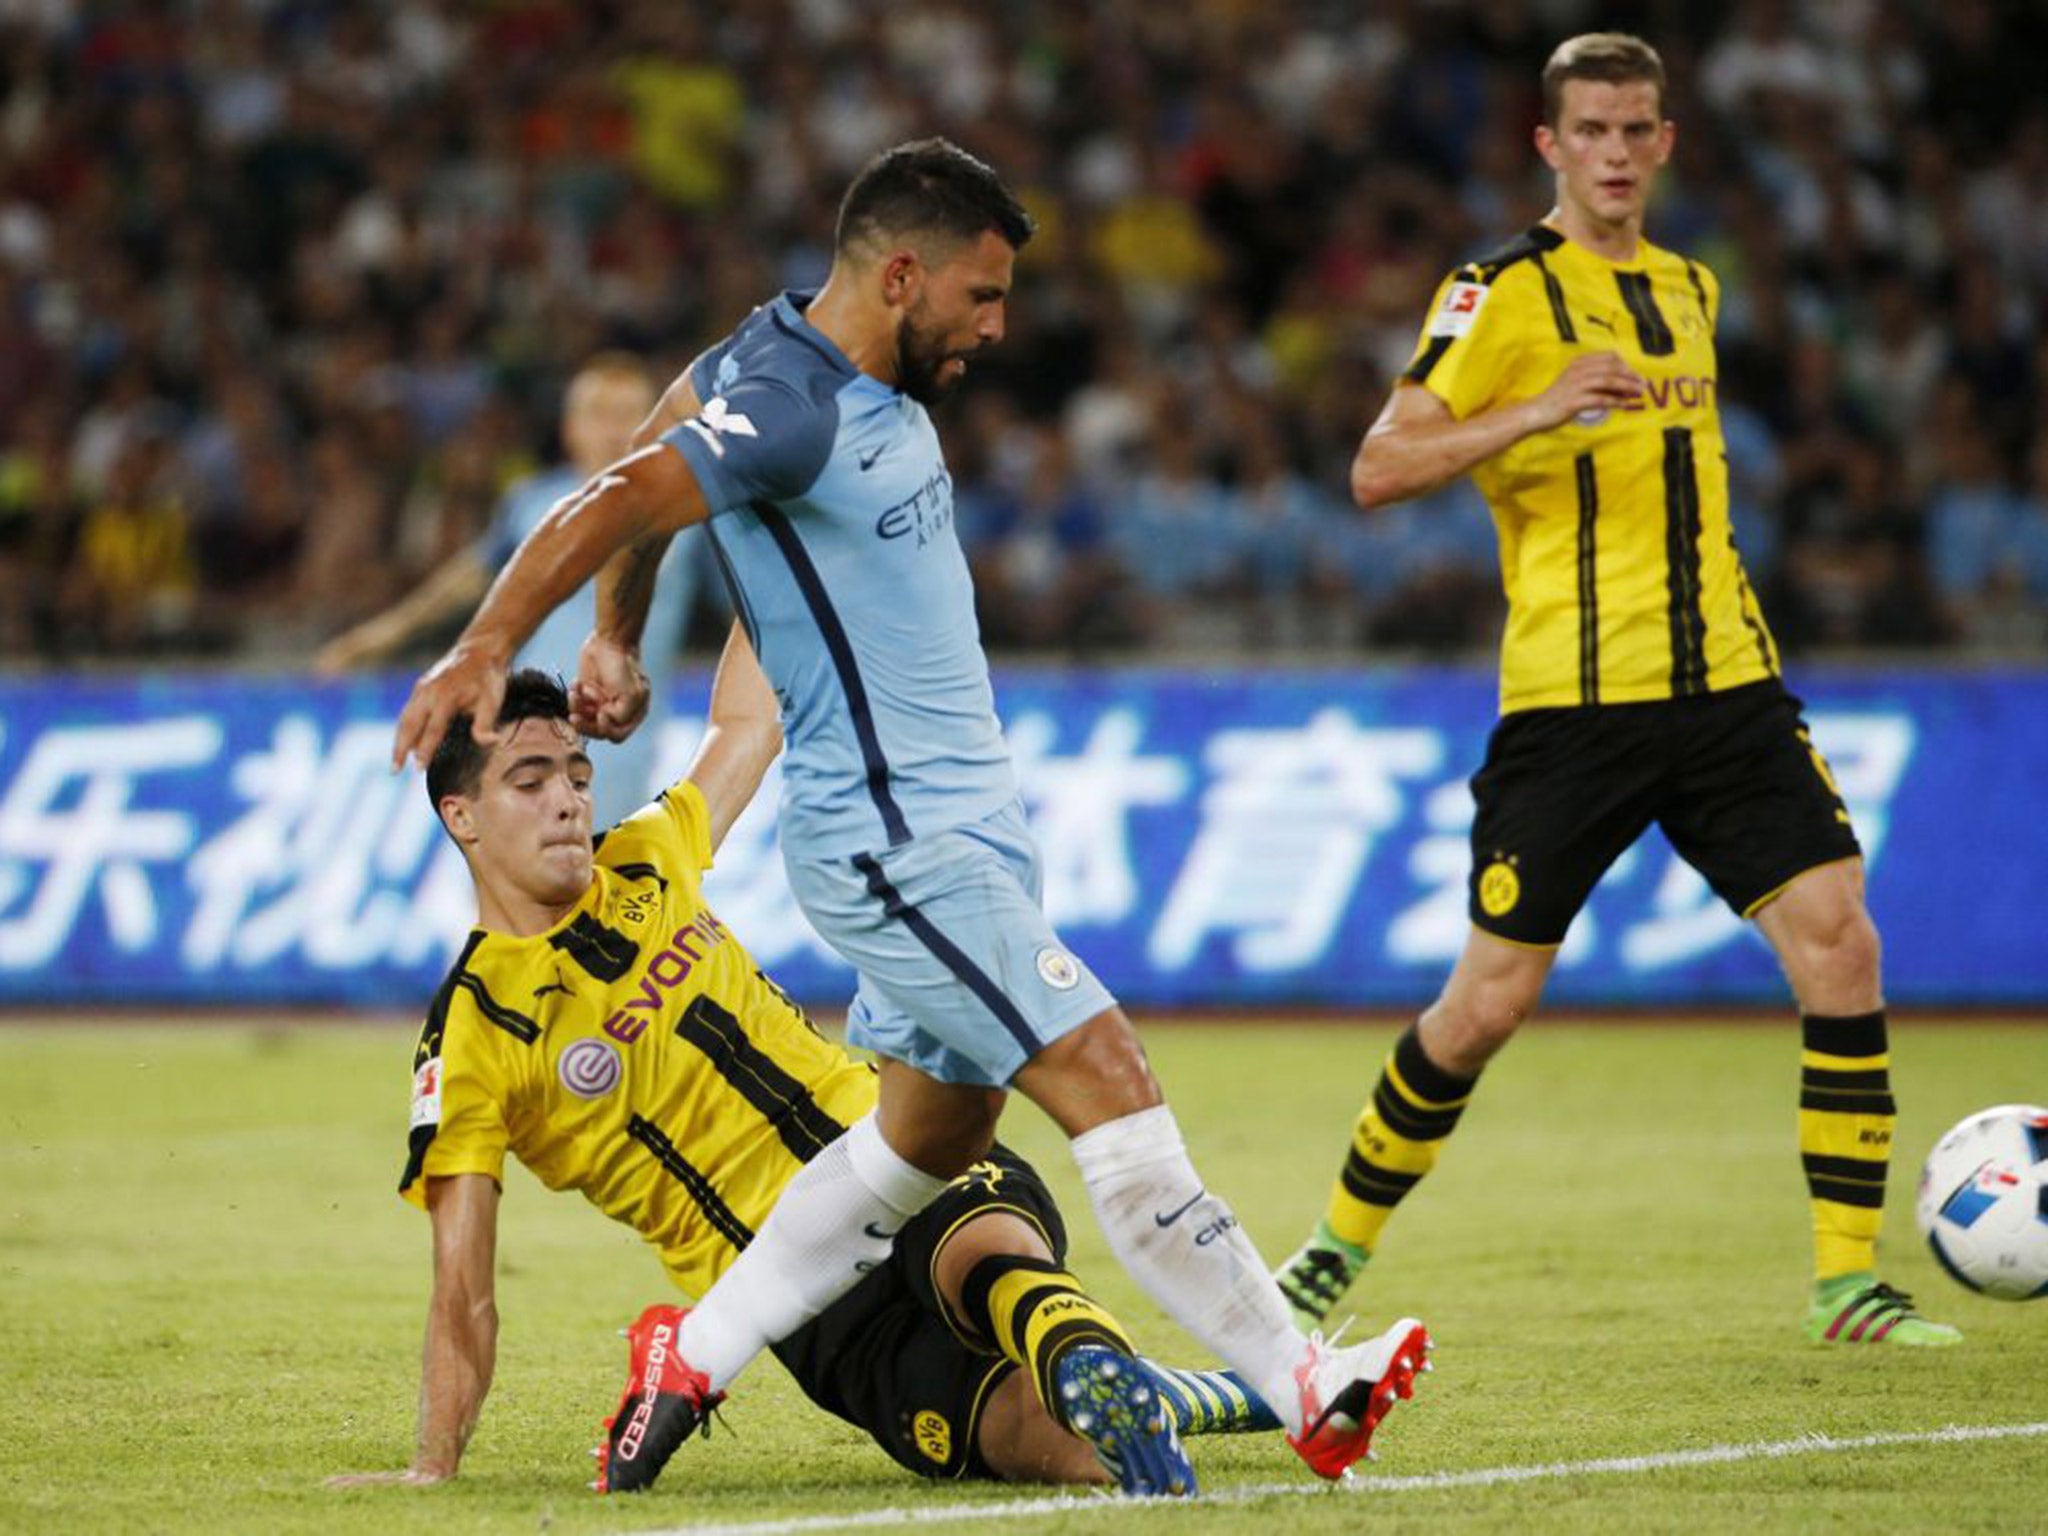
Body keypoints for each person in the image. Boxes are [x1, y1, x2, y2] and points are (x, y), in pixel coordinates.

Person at [390, 137, 1431, 1492]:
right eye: (982, 296)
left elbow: (663, 428)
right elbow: (630, 487)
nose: (997, 328)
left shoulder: (773, 368)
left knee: (924, 1142)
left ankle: (690, 1356)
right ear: (898, 275)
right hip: (894, 845)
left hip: (965, 828)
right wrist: (492, 642)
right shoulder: (798, 407)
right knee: (1106, 1075)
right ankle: (1308, 1385)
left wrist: (618, 641)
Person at [1273, 34, 1960, 1350]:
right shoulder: (1496, 293)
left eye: (1637, 130)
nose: (1616, 155)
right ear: (1548, 145)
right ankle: (1331, 1248)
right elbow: (1378, 468)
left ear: (1666, 141)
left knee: (1842, 939)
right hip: (1572, 713)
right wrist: (1530, 411)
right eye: (1590, 131)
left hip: (1729, 693)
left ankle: (1847, 1282)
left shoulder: (1693, 288)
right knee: (1485, 1008)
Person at [329, 658, 1281, 1496]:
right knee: (1035, 1440)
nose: (569, 800)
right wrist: (433, 1463)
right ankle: (1193, 1394)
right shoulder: (472, 1036)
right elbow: (463, 1286)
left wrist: (756, 513)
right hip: (800, 1303)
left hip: (893, 1146)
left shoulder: (651, 855)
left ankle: (1090, 1353)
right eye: (530, 782)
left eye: (576, 775)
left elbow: (750, 721)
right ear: (460, 815)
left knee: (978, 1264)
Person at [318, 353, 701, 828]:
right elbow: (470, 580)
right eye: (598, 414)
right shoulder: (534, 504)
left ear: (657, 424)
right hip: (517, 738)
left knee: (601, 889)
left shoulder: (687, 516)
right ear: (570, 428)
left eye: (629, 415)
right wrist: (380, 636)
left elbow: (747, 608)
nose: (612, 431)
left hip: (623, 753)